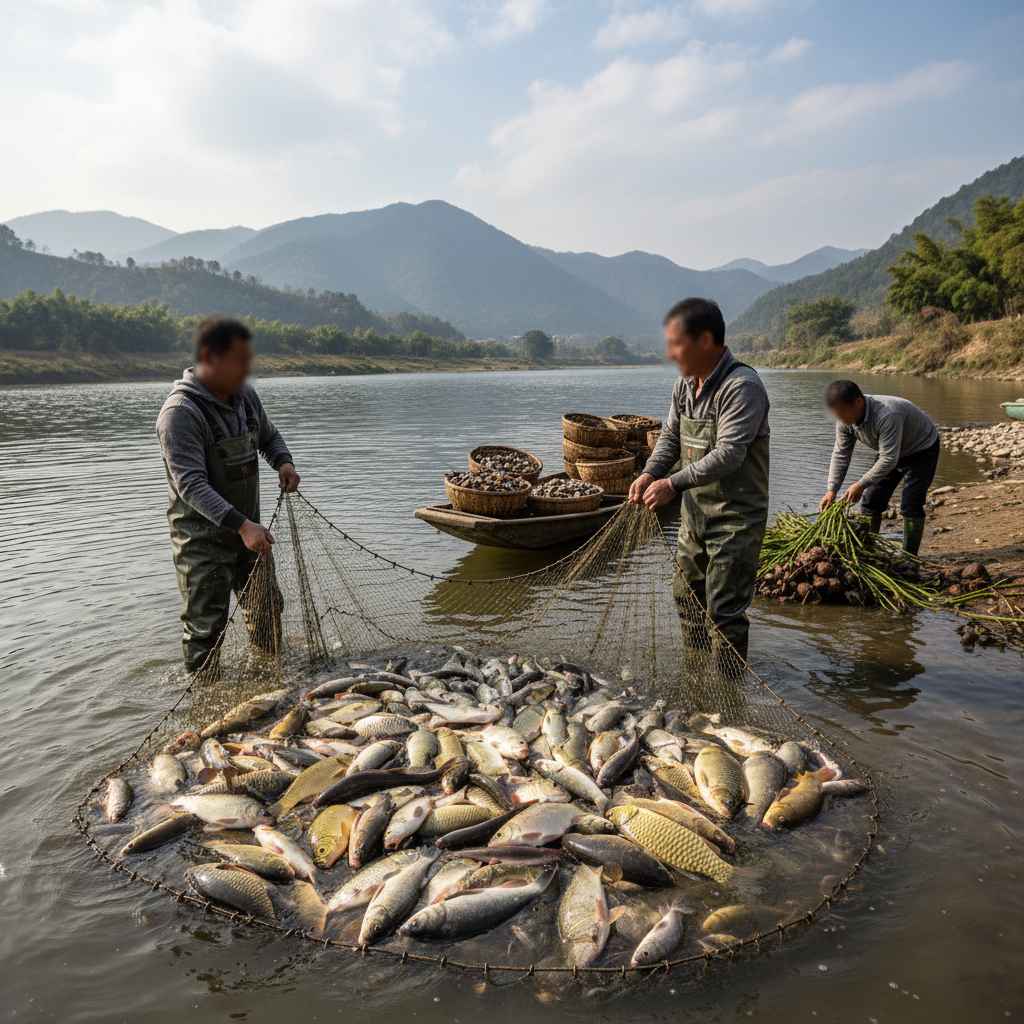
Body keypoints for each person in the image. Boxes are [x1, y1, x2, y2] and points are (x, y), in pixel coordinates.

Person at [629, 298, 770, 663]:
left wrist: (672, 484)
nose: (671, 353)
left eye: (677, 344)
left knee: (724, 612)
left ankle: (728, 690)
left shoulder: (742, 387)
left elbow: (729, 454)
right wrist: (649, 473)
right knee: (686, 597)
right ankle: (697, 677)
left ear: (705, 341)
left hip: (735, 520)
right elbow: (671, 439)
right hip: (695, 516)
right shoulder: (684, 386)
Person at [156, 317, 301, 673]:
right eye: (238, 361)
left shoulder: (245, 397)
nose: (246, 370)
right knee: (206, 630)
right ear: (210, 357)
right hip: (202, 542)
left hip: (249, 535)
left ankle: (268, 679)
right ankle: (204, 703)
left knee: (268, 609)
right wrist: (241, 525)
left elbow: (269, 436)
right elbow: (190, 484)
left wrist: (283, 462)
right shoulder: (180, 414)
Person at [819, 381, 939, 555]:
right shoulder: (844, 421)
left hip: (921, 448)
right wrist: (832, 490)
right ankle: (869, 551)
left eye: (843, 413)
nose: (841, 419)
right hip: (890, 451)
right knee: (871, 501)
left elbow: (889, 459)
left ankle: (909, 557)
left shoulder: (887, 414)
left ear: (858, 402)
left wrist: (860, 484)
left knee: (910, 504)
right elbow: (841, 454)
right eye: (837, 415)